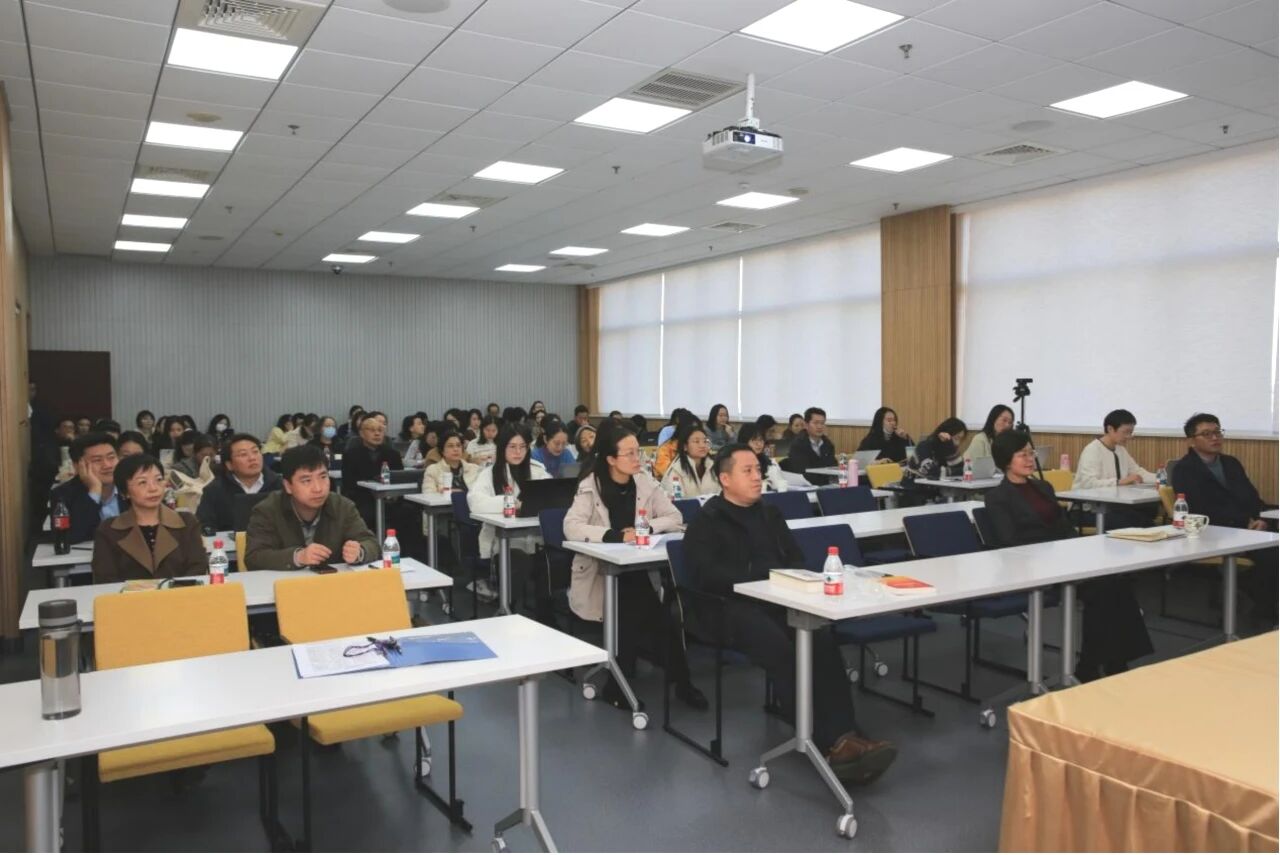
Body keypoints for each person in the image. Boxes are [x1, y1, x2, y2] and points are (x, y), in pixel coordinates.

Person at [683, 444, 897, 784]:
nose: (757, 477)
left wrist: (786, 579)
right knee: (781, 649)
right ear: (725, 479)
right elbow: (707, 576)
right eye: (747, 471)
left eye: (758, 470)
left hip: (779, 599)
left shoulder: (769, 514)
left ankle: (848, 733)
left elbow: (795, 558)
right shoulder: (707, 520)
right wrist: (763, 577)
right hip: (729, 608)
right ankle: (830, 743)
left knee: (820, 639)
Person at [986, 430, 1153, 680]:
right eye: (1022, 455)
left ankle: (1112, 661)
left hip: (1064, 558)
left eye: (1031, 453)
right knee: (1102, 589)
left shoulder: (1043, 487)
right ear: (1005, 460)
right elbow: (1009, 541)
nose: (1030, 459)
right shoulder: (997, 497)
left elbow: (1063, 526)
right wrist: (1056, 552)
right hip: (1031, 566)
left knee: (1116, 580)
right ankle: (1093, 664)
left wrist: (1077, 549)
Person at [564, 424, 706, 710]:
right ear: (610, 459)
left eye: (637, 451)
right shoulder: (591, 485)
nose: (637, 458)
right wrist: (614, 535)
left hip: (639, 570)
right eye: (629, 453)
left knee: (663, 621)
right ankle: (617, 685)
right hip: (603, 574)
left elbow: (674, 516)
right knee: (636, 613)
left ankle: (680, 683)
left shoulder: (644, 481)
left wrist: (645, 528)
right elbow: (571, 526)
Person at [1172, 413, 1277, 621]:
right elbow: (1200, 510)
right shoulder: (1185, 469)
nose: (1215, 437)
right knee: (1274, 555)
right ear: (1191, 441)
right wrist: (1245, 522)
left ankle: (1262, 600)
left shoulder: (1230, 463)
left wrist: (1260, 518)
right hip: (1217, 531)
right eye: (1206, 434)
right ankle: (1266, 609)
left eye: (1218, 432)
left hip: (1248, 527)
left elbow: (1252, 497)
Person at [244, 445, 380, 570]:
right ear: (288, 486)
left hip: (331, 584)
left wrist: (360, 552)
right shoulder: (267, 510)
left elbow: (372, 543)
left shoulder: (342, 506)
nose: (318, 488)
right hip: (283, 585)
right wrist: (298, 557)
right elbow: (254, 557)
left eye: (323, 477)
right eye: (306, 481)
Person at [90, 454, 208, 583]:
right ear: (125, 492)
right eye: (142, 482)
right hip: (127, 595)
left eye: (158, 480)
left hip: (179, 593)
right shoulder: (109, 530)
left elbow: (198, 567)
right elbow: (105, 578)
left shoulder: (187, 522)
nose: (153, 488)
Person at [467, 424, 549, 561]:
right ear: (502, 448)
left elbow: (551, 496)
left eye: (522, 447)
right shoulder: (489, 474)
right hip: (500, 546)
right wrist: (510, 503)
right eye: (512, 447)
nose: (518, 452)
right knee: (520, 561)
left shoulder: (538, 471)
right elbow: (475, 501)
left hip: (536, 542)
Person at [1073, 409, 1158, 527]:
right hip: (1089, 510)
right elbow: (1089, 483)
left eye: (1131, 432)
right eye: (1126, 432)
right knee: (1136, 521)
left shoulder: (1120, 450)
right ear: (1110, 429)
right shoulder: (1092, 450)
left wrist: (1161, 478)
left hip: (1114, 506)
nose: (1129, 436)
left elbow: (1138, 472)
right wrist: (1119, 482)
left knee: (1151, 510)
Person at [196, 433, 283, 531]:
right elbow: (204, 525)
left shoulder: (280, 486)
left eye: (255, 452)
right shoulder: (214, 490)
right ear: (229, 465)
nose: (252, 458)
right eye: (243, 454)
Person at [50, 432, 121, 543]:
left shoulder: (131, 487)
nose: (107, 465)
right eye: (97, 460)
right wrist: (94, 491)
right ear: (77, 466)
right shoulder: (62, 494)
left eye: (111, 457)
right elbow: (66, 537)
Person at [341, 413, 404, 529]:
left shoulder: (393, 454)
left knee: (407, 512)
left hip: (389, 498)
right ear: (361, 433)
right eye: (372, 430)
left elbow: (400, 478)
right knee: (367, 513)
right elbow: (348, 484)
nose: (377, 434)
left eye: (380, 430)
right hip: (363, 498)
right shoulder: (351, 454)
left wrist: (394, 496)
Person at [902, 418, 967, 498]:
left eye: (961, 439)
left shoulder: (948, 449)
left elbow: (962, 470)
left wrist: (949, 446)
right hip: (913, 492)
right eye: (956, 438)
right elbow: (932, 472)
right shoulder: (924, 446)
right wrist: (953, 471)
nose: (958, 443)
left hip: (934, 491)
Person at [661, 424, 719, 498]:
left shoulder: (714, 465)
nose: (702, 445)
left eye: (705, 441)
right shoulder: (676, 470)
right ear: (685, 446)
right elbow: (677, 500)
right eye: (696, 441)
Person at [783, 407, 837, 484]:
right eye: (816, 423)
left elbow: (833, 468)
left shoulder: (828, 444)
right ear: (806, 425)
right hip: (806, 486)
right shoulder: (798, 445)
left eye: (822, 423)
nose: (819, 426)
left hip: (827, 485)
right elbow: (803, 472)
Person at [736, 423, 788, 492]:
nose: (759, 444)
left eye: (761, 440)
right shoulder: (735, 462)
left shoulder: (769, 462)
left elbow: (780, 484)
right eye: (754, 440)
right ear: (744, 441)